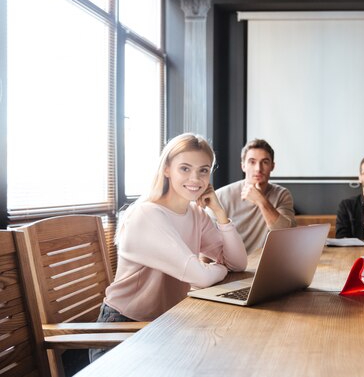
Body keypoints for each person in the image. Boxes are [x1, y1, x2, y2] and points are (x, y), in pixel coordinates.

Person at [90, 133, 247, 362]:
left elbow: (238, 263)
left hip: (166, 324)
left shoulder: (195, 213)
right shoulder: (147, 214)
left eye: (203, 170)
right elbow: (201, 277)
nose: (196, 178)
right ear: (166, 169)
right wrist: (220, 269)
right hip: (123, 330)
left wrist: (221, 214)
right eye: (185, 168)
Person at [214, 139, 296, 253]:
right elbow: (208, 244)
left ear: (272, 166)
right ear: (243, 166)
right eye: (252, 162)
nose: (258, 168)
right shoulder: (221, 196)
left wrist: (261, 201)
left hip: (266, 264)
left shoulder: (282, 194)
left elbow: (288, 235)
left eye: (265, 162)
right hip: (231, 266)